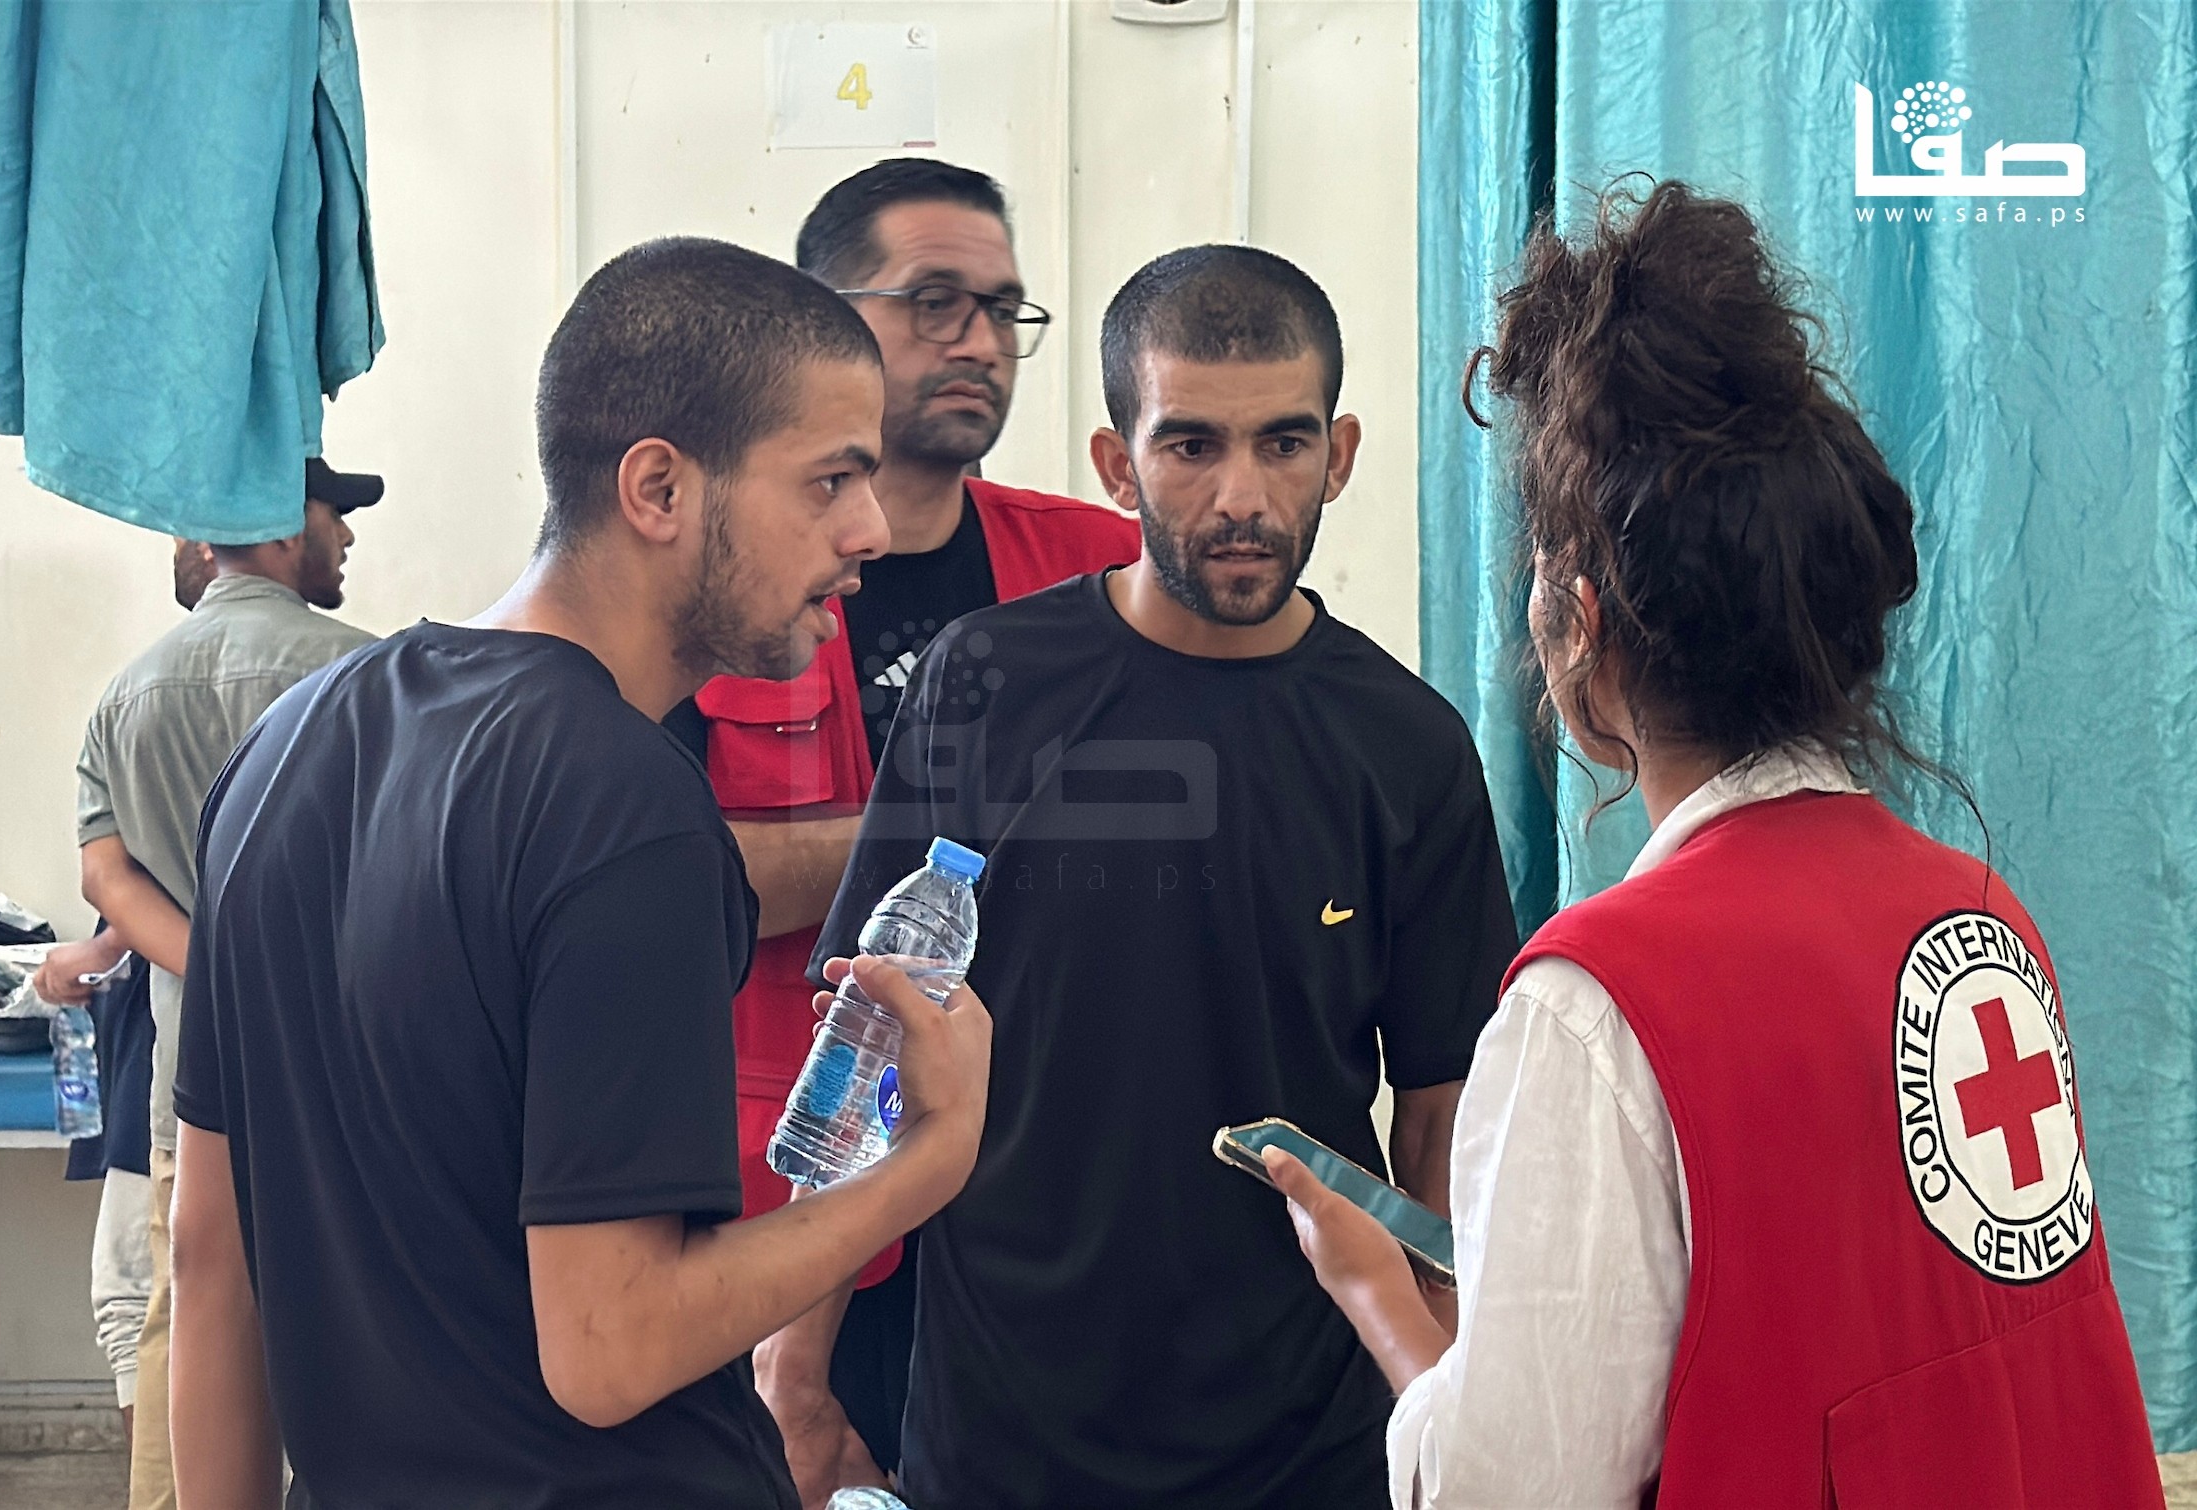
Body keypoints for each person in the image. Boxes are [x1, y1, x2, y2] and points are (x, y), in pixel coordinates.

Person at [1268, 181, 2166, 1510]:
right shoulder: (1978, 914)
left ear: (1580, 617)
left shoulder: (1598, 1005)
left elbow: (1508, 1491)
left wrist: (1378, 1294)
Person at [168, 238, 995, 1510]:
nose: (869, 531)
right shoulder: (626, 806)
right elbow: (611, 1349)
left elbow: (212, 1256)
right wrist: (925, 1161)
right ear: (659, 487)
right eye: (830, 480)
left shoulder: (290, 743)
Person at [811, 245, 1518, 1509]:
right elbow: (869, 1038)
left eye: (1284, 443)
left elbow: (1439, 1111)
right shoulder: (982, 684)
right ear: (1116, 463)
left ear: (1340, 455)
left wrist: (1443, 1391)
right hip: (1005, 1431)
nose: (1243, 495)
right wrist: (794, 1367)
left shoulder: (1408, 743)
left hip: (1306, 1445)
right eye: (1191, 445)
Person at [675, 158, 1138, 1497]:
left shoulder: (1099, 569)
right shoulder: (724, 581)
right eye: (935, 301)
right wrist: (937, 846)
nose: (980, 340)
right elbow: (677, 885)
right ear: (821, 323)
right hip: (790, 1215)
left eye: (1004, 309)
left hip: (1041, 1206)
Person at [66, 457, 380, 1510]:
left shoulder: (125, 693)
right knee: (359, 1330)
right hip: (350, 1080)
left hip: (191, 1084)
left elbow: (104, 876)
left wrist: (223, 966)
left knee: (186, 1325)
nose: (348, 539)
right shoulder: (374, 677)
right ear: (285, 529)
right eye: (337, 518)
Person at [33, 533, 223, 1444]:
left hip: (173, 1038)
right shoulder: (342, 681)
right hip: (259, 1032)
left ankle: (161, 1487)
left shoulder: (135, 699)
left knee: (144, 1294)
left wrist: (104, 948)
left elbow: (124, 880)